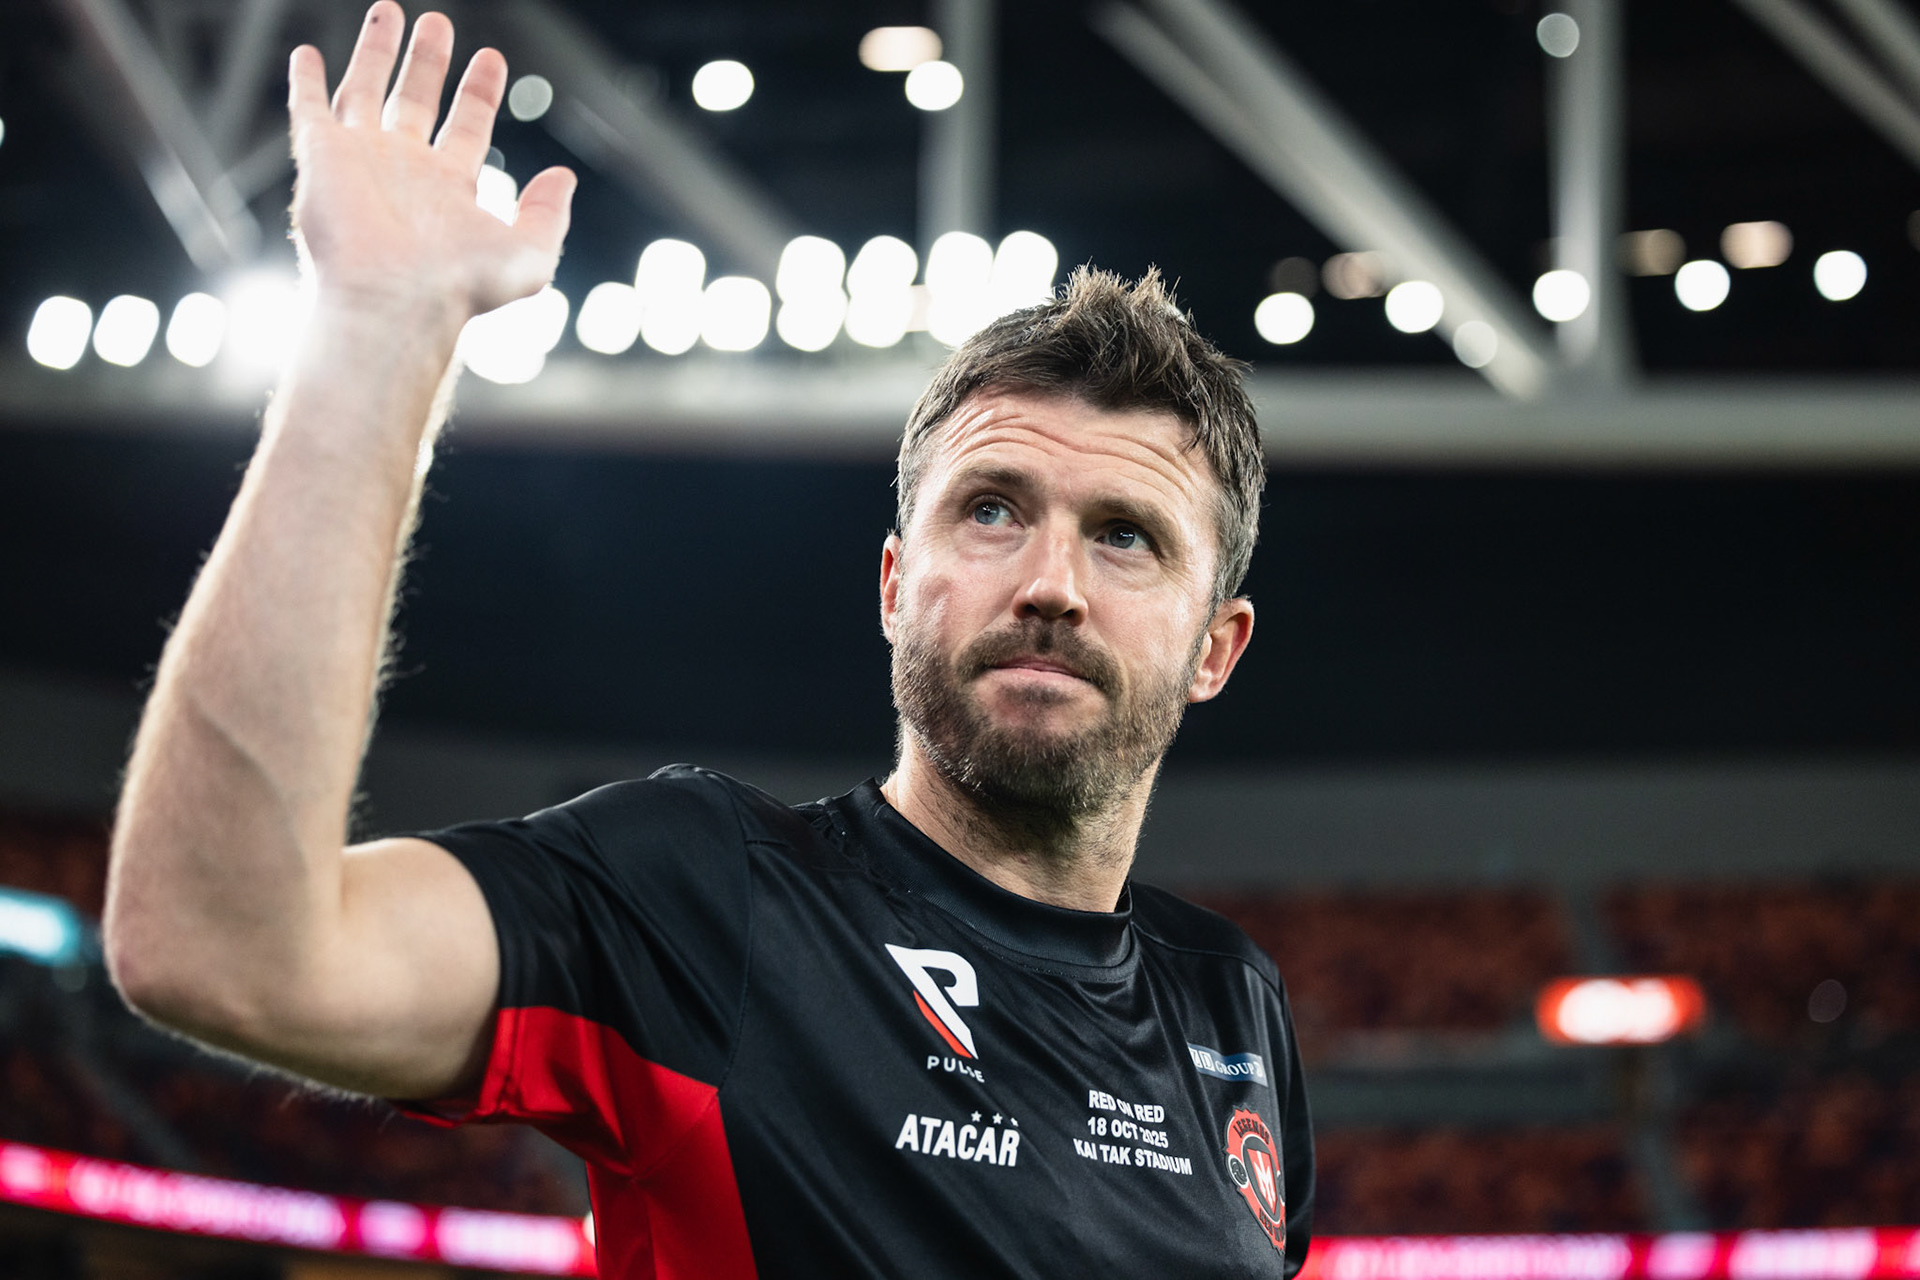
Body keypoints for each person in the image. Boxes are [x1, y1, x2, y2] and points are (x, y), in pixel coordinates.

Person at [102, 4, 1314, 1276]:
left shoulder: (1232, 1006)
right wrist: (374, 331)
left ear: (1216, 647)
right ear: (895, 584)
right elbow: (220, 945)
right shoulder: (707, 900)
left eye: (1125, 534)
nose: (1051, 584)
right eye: (992, 509)